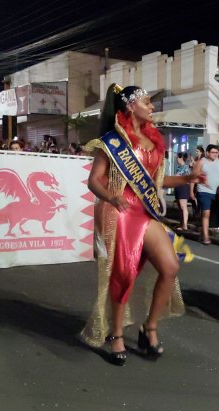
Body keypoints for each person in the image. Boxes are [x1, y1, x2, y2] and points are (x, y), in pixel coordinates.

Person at [80, 84, 203, 365]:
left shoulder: (153, 140)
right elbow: (94, 181)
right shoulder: (113, 141)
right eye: (147, 102)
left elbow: (155, 183)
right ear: (130, 106)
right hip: (119, 210)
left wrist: (186, 180)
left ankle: (150, 328)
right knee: (124, 275)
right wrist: (111, 197)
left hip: (144, 211)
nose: (151, 107)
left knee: (170, 267)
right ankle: (117, 334)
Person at [194, 144, 219, 245]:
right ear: (207, 153)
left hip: (215, 191)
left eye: (217, 152)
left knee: (209, 214)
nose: (215, 154)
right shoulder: (201, 162)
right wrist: (191, 191)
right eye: (213, 152)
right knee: (206, 213)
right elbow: (194, 176)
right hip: (203, 190)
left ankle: (203, 232)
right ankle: (206, 236)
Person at [173, 152, 192, 231]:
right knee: (180, 207)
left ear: (181, 158)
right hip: (178, 187)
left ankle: (185, 225)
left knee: (183, 206)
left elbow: (176, 177)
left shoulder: (185, 167)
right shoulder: (179, 167)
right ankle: (182, 224)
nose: (176, 159)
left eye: (177, 157)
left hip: (183, 187)